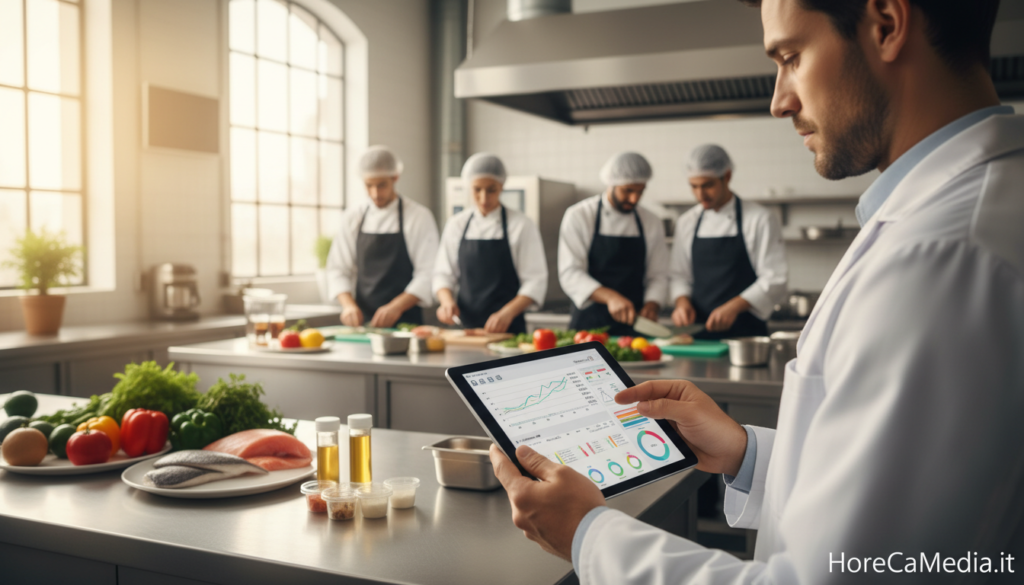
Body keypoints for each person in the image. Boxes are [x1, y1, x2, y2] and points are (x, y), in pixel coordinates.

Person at [490, 0, 1023, 583]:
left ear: (887, 26)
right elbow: (883, 508)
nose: (779, 100)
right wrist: (747, 453)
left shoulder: (942, 258)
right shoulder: (948, 221)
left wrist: (588, 535)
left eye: (791, 57)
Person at [670, 144, 788, 339]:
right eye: (694, 186)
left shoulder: (759, 219)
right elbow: (679, 276)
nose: (700, 195)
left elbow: (774, 278)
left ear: (727, 176)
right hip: (698, 335)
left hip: (746, 336)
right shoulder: (687, 222)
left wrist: (733, 307)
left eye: (707, 185)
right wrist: (682, 303)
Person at [433, 153, 548, 334]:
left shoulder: (521, 225)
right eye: (477, 190)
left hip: (509, 329)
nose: (484, 198)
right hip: (465, 329)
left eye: (491, 190)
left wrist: (507, 313)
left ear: (502, 186)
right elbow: (443, 274)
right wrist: (446, 302)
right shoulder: (456, 224)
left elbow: (535, 281)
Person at [326, 146, 439, 327]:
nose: (375, 194)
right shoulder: (353, 217)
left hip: (406, 323)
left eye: (381, 185)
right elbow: (338, 269)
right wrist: (348, 306)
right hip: (363, 323)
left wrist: (395, 307)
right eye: (369, 185)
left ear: (395, 178)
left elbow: (428, 273)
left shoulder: (418, 216)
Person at [558, 152, 670, 336]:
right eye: (628, 190)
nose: (634, 199)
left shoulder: (650, 221)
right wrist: (611, 297)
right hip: (589, 326)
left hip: (635, 326)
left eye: (640, 191)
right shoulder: (580, 215)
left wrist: (652, 304)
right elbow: (570, 273)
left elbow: (658, 274)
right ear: (611, 183)